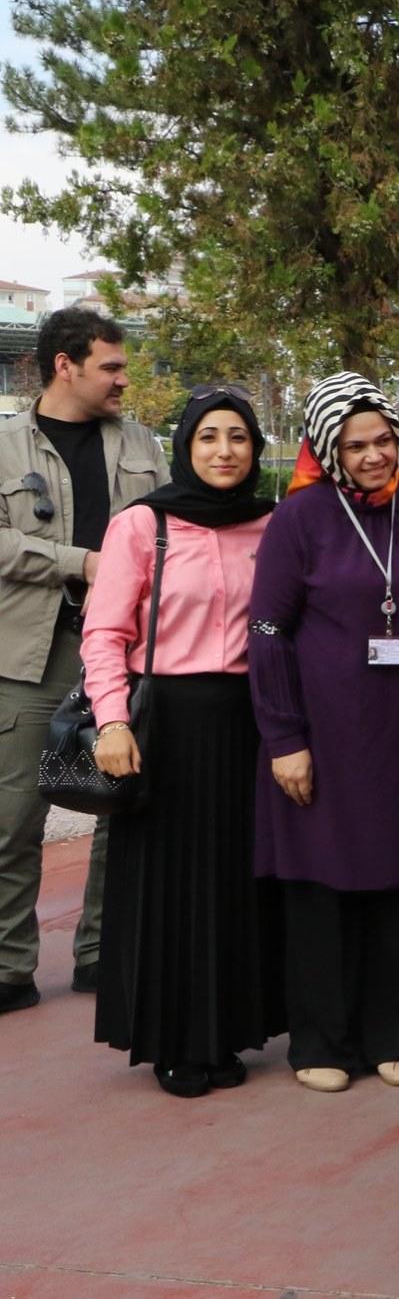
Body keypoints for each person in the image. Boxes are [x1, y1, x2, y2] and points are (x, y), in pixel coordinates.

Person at [249, 372, 399, 1093]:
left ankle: (397, 1032)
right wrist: (284, 739)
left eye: (384, 440)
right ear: (328, 449)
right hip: (325, 738)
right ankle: (323, 1038)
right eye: (355, 444)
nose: (375, 455)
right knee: (324, 888)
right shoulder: (299, 518)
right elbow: (268, 631)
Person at [81, 387, 282, 1096]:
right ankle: (175, 1037)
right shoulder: (144, 524)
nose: (224, 451)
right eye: (208, 437)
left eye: (238, 438)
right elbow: (105, 631)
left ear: (256, 449)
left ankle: (228, 1029)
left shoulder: (272, 523)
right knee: (171, 882)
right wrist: (112, 720)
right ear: (185, 446)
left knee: (237, 878)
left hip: (249, 719)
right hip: (165, 717)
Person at [0, 307, 164, 1015]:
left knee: (119, 807)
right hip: (31, 652)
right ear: (65, 364)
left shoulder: (143, 443)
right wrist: (84, 561)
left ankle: (104, 950)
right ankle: (9, 964)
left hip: (127, 651)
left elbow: (170, 527)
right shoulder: (5, 444)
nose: (124, 380)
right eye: (112, 367)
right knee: (12, 819)